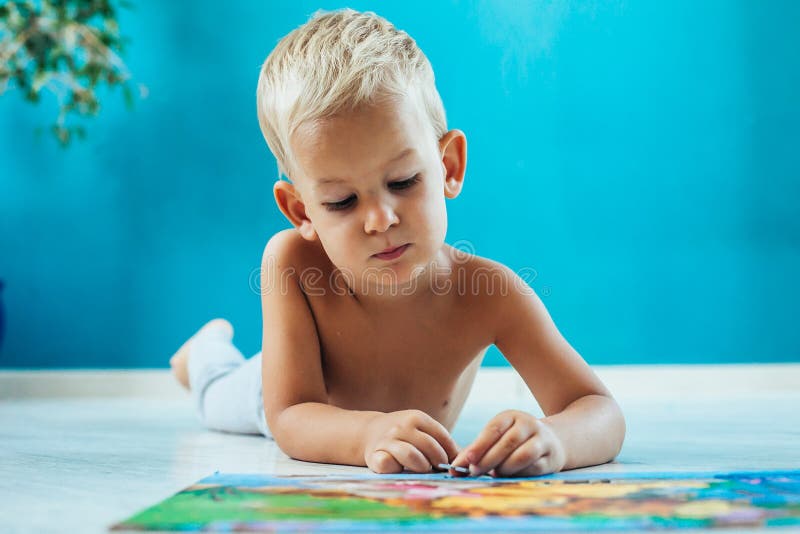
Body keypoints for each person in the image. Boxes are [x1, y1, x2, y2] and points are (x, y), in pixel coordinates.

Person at [170, 8, 625, 478]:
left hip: (379, 425)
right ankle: (202, 355)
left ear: (448, 167)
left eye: (403, 181)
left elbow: (598, 409)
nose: (381, 219)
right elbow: (289, 416)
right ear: (302, 212)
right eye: (343, 201)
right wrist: (367, 433)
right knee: (218, 392)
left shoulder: (492, 295)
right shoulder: (292, 263)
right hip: (266, 390)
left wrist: (556, 439)